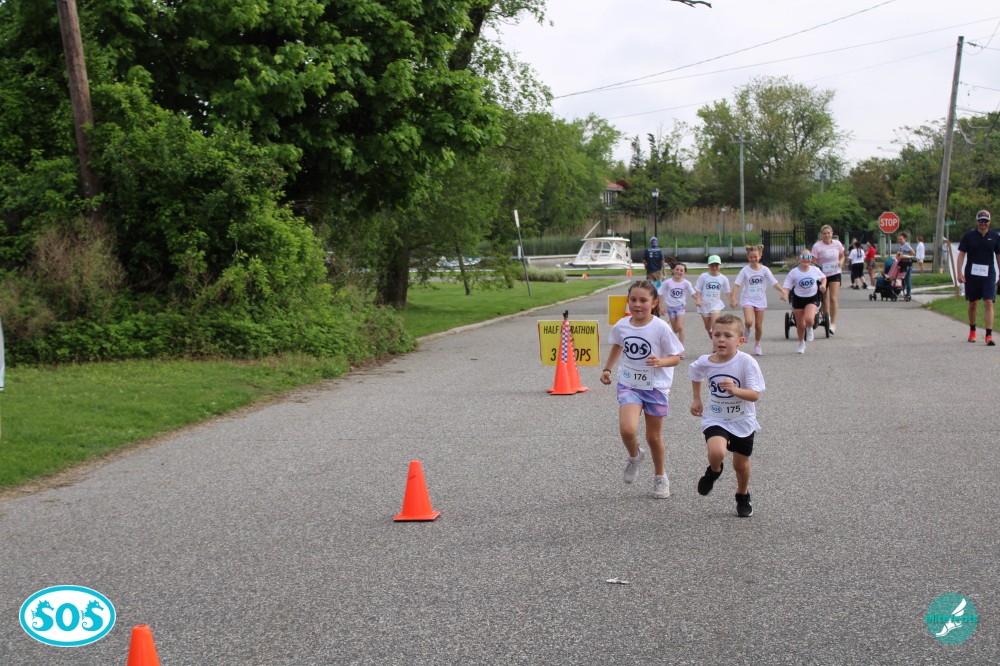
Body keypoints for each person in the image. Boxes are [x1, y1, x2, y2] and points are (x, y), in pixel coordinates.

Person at [601, 280, 684, 498]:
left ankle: (660, 476)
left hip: (655, 387)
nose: (637, 304)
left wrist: (661, 362)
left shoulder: (661, 328)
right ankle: (635, 456)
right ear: (628, 301)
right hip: (629, 384)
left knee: (653, 438)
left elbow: (677, 357)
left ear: (654, 303)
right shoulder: (622, 325)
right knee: (627, 429)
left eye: (643, 300)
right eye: (633, 300)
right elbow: (618, 345)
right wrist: (607, 369)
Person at [688, 313, 765, 518]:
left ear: (740, 341)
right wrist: (696, 399)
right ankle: (714, 470)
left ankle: (742, 494)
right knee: (717, 452)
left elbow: (755, 394)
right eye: (717, 335)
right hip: (716, 417)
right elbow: (695, 373)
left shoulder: (746, 362)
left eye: (728, 336)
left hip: (742, 419)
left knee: (740, 465)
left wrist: (735, 390)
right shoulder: (706, 361)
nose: (721, 340)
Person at [729, 244, 783, 356]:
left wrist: (782, 291)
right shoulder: (745, 270)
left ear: (760, 256)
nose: (753, 259)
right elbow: (737, 284)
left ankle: (757, 345)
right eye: (751, 257)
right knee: (749, 321)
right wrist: (733, 297)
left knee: (758, 325)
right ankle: (747, 329)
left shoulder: (765, 270)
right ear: (748, 257)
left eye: (755, 257)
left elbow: (773, 282)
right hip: (748, 299)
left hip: (760, 300)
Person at [956, 210, 1000, 346]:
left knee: (989, 302)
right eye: (981, 221)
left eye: (985, 221)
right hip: (972, 274)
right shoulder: (969, 236)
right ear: (977, 221)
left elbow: (998, 256)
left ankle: (989, 335)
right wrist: (959, 272)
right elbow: (961, 254)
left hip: (988, 274)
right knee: (973, 303)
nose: (983, 223)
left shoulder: (995, 237)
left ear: (989, 222)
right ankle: (972, 331)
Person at [782, 250, 827, 354]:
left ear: (811, 259)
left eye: (808, 257)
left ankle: (810, 327)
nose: (806, 259)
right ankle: (801, 343)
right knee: (800, 325)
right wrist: (784, 293)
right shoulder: (794, 272)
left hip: (812, 298)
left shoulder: (815, 270)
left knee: (809, 319)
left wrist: (823, 285)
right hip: (798, 298)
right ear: (799, 258)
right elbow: (787, 286)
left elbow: (823, 278)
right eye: (803, 257)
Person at [657, 263, 699, 351]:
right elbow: (660, 293)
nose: (679, 272)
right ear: (673, 270)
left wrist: (698, 299)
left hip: (680, 307)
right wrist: (661, 306)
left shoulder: (686, 283)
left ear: (684, 273)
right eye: (677, 269)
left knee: (680, 327)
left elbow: (693, 293)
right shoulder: (667, 282)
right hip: (671, 308)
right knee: (675, 330)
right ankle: (675, 340)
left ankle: (681, 348)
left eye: (681, 270)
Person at [811, 225, 844, 334]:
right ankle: (827, 319)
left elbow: (842, 256)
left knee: (833, 298)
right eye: (824, 233)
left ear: (832, 233)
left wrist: (841, 262)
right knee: (824, 299)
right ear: (821, 235)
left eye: (828, 233)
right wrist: (817, 270)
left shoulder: (837, 244)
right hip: (822, 275)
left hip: (835, 272)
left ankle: (833, 324)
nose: (826, 235)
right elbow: (814, 261)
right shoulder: (817, 246)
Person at [695, 255, 731, 339]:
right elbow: (698, 289)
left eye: (716, 265)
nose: (714, 267)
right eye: (712, 265)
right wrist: (698, 299)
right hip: (704, 305)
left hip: (716, 304)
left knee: (715, 324)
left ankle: (715, 342)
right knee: (708, 326)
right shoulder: (703, 276)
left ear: (720, 265)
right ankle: (709, 331)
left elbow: (727, 291)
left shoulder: (723, 278)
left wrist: (732, 300)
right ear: (708, 266)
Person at [896, 232, 916, 298]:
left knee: (907, 279)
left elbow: (913, 253)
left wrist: (904, 256)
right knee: (902, 279)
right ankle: (902, 292)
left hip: (907, 264)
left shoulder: (906, 245)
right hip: (903, 264)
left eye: (901, 239)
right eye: (898, 239)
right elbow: (900, 254)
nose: (899, 240)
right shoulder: (902, 246)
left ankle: (908, 293)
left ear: (905, 239)